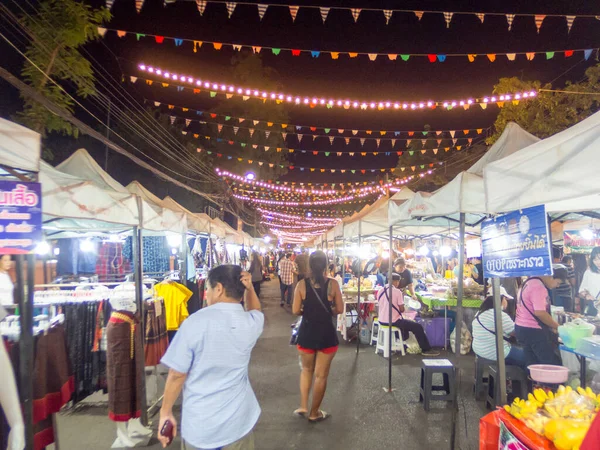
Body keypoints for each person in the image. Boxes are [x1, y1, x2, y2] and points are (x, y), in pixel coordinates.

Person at [158, 265, 263, 450]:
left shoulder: (194, 323)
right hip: (239, 423)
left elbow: (177, 375)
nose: (206, 293)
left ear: (219, 289)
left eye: (207, 288)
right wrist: (251, 289)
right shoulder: (251, 323)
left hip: (201, 425)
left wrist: (165, 413)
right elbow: (256, 310)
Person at [292, 251, 343, 422]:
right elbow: (340, 309)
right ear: (326, 265)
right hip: (326, 334)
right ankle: (314, 413)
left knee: (306, 370)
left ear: (310, 266)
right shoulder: (333, 284)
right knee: (321, 376)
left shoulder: (301, 285)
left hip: (307, 332)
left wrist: (308, 311)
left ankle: (303, 405)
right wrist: (327, 311)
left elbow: (295, 310)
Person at [376, 273, 439, 356]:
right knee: (417, 327)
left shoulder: (380, 291)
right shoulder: (397, 292)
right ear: (395, 281)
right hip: (393, 321)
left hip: (381, 320)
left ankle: (400, 342)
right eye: (398, 281)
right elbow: (402, 309)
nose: (398, 283)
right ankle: (426, 349)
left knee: (405, 326)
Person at [514, 268, 567, 368]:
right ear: (551, 276)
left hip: (521, 327)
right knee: (550, 365)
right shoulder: (538, 287)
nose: (557, 286)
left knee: (532, 363)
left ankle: (534, 383)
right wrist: (558, 327)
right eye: (558, 282)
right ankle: (549, 383)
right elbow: (540, 313)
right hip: (533, 331)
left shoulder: (529, 282)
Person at [472, 293, 527, 370]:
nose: (507, 301)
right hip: (496, 353)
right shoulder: (499, 315)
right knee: (530, 358)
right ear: (500, 300)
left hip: (480, 351)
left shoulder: (479, 313)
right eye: (505, 298)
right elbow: (516, 332)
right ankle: (526, 380)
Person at [579, 247, 600, 316]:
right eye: (595, 259)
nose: (598, 262)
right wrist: (586, 295)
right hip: (593, 308)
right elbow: (581, 291)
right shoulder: (589, 273)